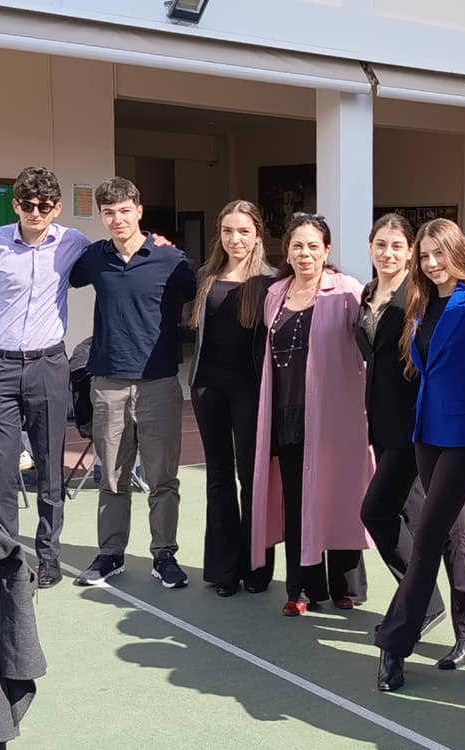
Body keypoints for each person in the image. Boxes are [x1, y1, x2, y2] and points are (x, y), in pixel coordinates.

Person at [375, 218, 465, 693]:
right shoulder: (421, 302)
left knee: (427, 532)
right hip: (427, 432)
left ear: (457, 251)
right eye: (424, 256)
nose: (430, 263)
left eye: (438, 254)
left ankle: (395, 642)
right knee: (450, 530)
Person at [0, 167, 90, 589]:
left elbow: (114, 255)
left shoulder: (73, 242)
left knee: (50, 468)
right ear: (16, 204)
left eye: (45, 206)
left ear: (57, 208)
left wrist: (155, 243)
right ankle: (5, 559)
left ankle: (49, 557)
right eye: (27, 204)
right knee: (2, 469)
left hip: (47, 366)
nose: (36, 213)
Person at [70, 177, 197, 590]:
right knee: (112, 476)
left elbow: (202, 296)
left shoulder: (169, 258)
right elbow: (56, 270)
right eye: (109, 213)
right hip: (108, 382)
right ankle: (110, 554)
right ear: (101, 216)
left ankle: (165, 555)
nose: (118, 219)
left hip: (158, 383)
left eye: (125, 211)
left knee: (163, 479)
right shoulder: (94, 258)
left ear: (139, 211)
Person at [250, 213, 373, 616]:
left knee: (338, 494)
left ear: (326, 250)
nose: (305, 253)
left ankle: (345, 585)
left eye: (313, 246)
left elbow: (368, 346)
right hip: (288, 412)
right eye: (297, 245)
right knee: (296, 499)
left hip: (334, 415)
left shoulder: (347, 290)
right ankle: (302, 588)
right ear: (287, 250)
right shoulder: (275, 293)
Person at [355, 214, 448, 634]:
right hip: (380, 420)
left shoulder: (418, 296)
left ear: (410, 251)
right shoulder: (367, 292)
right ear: (370, 247)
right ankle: (425, 604)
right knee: (410, 515)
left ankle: (422, 602)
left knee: (375, 512)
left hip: (412, 423)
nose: (387, 253)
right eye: (381, 244)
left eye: (397, 246)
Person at [188, 200, 277, 597]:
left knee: (252, 480)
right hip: (208, 389)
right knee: (219, 478)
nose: (235, 239)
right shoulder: (205, 276)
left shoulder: (270, 282)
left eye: (243, 231)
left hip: (250, 391)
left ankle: (256, 567)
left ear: (257, 234)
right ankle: (223, 570)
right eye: (228, 231)